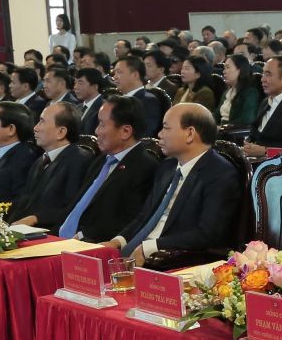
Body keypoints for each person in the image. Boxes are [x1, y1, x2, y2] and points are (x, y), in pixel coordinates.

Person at [108, 103, 242, 263]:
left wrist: (150, 247)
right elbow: (144, 216)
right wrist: (117, 241)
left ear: (190, 134)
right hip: (136, 251)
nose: (159, 134)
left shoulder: (220, 173)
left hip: (168, 259)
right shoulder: (167, 167)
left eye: (166, 128)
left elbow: (207, 234)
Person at [57, 95, 162, 242]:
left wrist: (84, 234)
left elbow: (130, 221)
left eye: (101, 124)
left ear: (125, 131)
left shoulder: (145, 167)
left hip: (90, 244)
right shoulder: (101, 160)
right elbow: (76, 206)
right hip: (59, 237)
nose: (96, 131)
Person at [10, 102, 94, 230]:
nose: (35, 128)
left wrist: (36, 218)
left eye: (42, 122)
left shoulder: (79, 160)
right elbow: (26, 201)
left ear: (61, 132)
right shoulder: (40, 161)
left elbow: (73, 207)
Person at [110, 56, 164, 138]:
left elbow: (144, 134)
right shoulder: (116, 100)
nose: (114, 77)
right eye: (114, 73)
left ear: (135, 75)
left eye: (119, 72)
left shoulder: (148, 101)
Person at [216, 53, 260, 129]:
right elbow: (217, 115)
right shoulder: (227, 92)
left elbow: (247, 119)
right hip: (220, 129)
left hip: (232, 132)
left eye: (228, 67)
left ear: (240, 70)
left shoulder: (250, 92)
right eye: (224, 68)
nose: (224, 71)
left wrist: (223, 127)